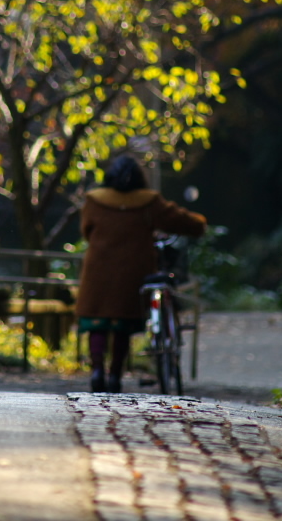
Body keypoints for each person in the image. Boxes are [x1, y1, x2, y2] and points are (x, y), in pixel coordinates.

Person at [76, 154, 206, 393]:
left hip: (99, 270)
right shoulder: (148, 201)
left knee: (97, 322)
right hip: (133, 272)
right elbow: (178, 220)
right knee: (122, 324)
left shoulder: (94, 200)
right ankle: (114, 375)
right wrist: (199, 223)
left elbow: (87, 230)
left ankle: (96, 371)